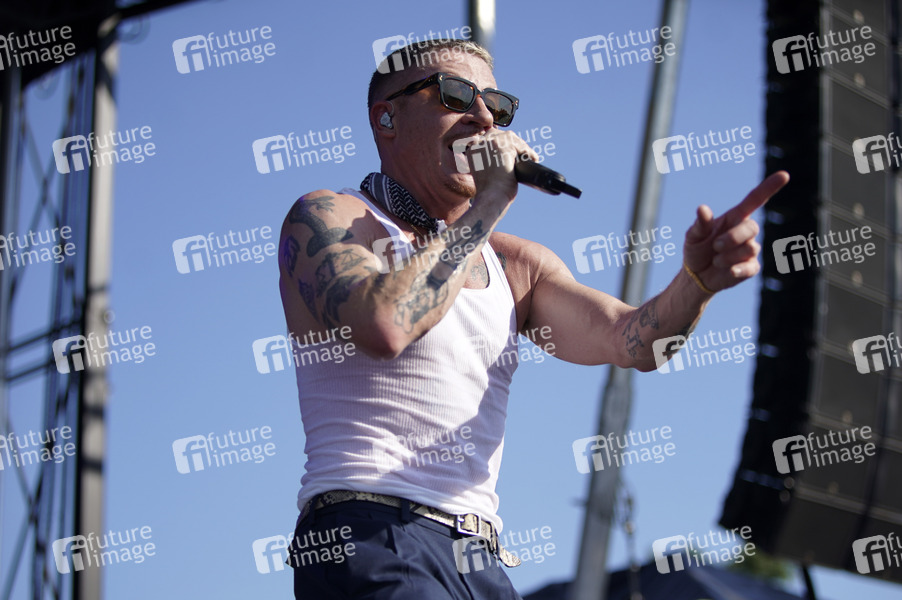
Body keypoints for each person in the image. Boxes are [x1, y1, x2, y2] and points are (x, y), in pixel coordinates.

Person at [278, 38, 789, 599]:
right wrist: (489, 201)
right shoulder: (332, 216)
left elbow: (635, 344)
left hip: (479, 555)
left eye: (497, 107)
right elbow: (385, 324)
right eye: (455, 95)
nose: (482, 117)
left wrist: (696, 283)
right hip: (368, 528)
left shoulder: (516, 265)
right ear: (387, 118)